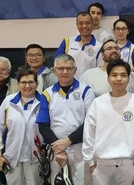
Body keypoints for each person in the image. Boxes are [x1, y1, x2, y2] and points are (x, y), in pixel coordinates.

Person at [82, 59, 134, 185]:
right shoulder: (98, 103)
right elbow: (88, 134)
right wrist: (91, 164)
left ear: (129, 78)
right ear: (108, 78)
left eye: (123, 75)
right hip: (101, 165)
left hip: (129, 165)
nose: (118, 79)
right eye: (114, 75)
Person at [36, 54, 95, 184]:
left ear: (75, 70)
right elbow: (43, 125)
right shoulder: (47, 93)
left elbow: (91, 123)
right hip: (56, 150)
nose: (65, 72)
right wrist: (59, 148)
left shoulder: (86, 90)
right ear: (54, 70)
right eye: (61, 68)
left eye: (69, 68)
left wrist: (68, 141)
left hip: (81, 148)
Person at [0, 69, 42, 185]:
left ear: (37, 84)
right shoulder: (9, 101)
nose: (27, 85)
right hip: (11, 157)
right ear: (18, 84)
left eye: (31, 82)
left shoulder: (44, 101)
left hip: (36, 158)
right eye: (23, 82)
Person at [54, 12, 102, 80]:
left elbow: (99, 72)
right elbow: (57, 64)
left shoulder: (100, 47)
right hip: (68, 84)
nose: (84, 26)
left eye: (87, 23)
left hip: (89, 86)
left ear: (92, 24)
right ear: (77, 25)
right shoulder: (67, 41)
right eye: (81, 23)